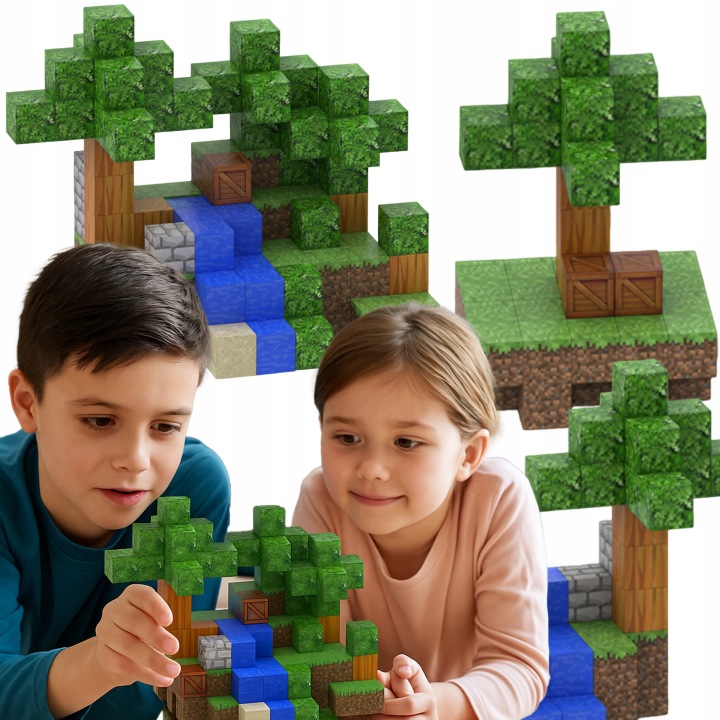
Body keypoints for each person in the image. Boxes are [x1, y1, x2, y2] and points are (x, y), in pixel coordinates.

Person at [0, 244, 231, 720]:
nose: (136, 461)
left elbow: (149, 688)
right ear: (27, 403)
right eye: (100, 421)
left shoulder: (194, 487)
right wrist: (99, 664)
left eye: (165, 426)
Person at [293, 303, 549, 720]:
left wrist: (434, 704)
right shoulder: (320, 500)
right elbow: (319, 653)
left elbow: (519, 667)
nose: (372, 469)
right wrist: (362, 696)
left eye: (406, 443)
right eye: (347, 437)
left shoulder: (499, 499)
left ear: (468, 454)